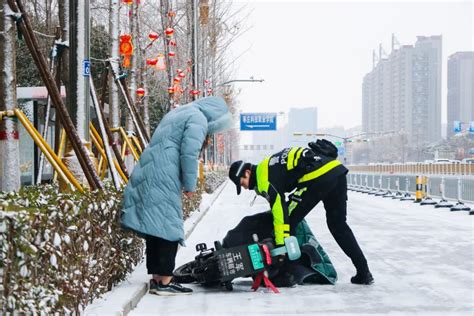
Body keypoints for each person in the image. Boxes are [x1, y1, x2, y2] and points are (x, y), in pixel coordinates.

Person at [121, 96, 233, 296]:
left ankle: (157, 278)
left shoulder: (179, 112)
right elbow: (189, 153)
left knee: (156, 224)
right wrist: (190, 184)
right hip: (166, 174)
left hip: (151, 169)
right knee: (168, 226)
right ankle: (165, 280)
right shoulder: (198, 118)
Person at [228, 140, 374, 285]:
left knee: (288, 222)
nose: (245, 188)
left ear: (247, 172)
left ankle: (286, 273)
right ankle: (364, 272)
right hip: (336, 172)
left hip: (317, 178)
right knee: (338, 225)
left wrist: (280, 246)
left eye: (242, 183)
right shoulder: (269, 165)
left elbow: (280, 212)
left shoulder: (264, 178)